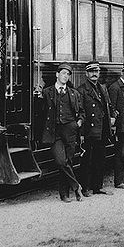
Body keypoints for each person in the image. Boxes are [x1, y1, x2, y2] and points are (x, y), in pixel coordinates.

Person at [35, 62, 85, 203]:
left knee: (68, 162)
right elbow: (40, 113)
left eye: (68, 74)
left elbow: (81, 112)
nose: (65, 76)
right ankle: (76, 186)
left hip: (70, 131)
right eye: (63, 73)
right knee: (61, 161)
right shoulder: (47, 92)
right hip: (54, 131)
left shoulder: (74, 93)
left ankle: (64, 194)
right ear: (57, 74)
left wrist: (79, 122)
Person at [77, 61, 115, 197]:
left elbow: (108, 105)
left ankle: (97, 187)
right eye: (91, 71)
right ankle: (85, 187)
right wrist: (81, 134)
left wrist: (113, 117)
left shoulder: (102, 88)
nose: (94, 74)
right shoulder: (82, 90)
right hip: (90, 130)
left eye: (96, 71)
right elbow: (80, 112)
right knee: (87, 160)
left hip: (102, 128)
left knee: (100, 159)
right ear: (86, 74)